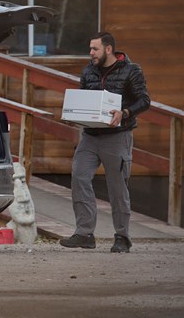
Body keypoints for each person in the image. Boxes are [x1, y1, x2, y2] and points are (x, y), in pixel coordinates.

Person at [60, 32, 150, 253]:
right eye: (90, 49)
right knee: (79, 177)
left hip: (117, 137)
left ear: (108, 49)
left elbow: (145, 100)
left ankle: (122, 237)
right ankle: (84, 234)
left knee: (117, 188)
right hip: (89, 137)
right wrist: (76, 115)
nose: (91, 53)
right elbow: (83, 100)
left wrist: (125, 112)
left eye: (95, 49)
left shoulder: (131, 70)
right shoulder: (88, 71)